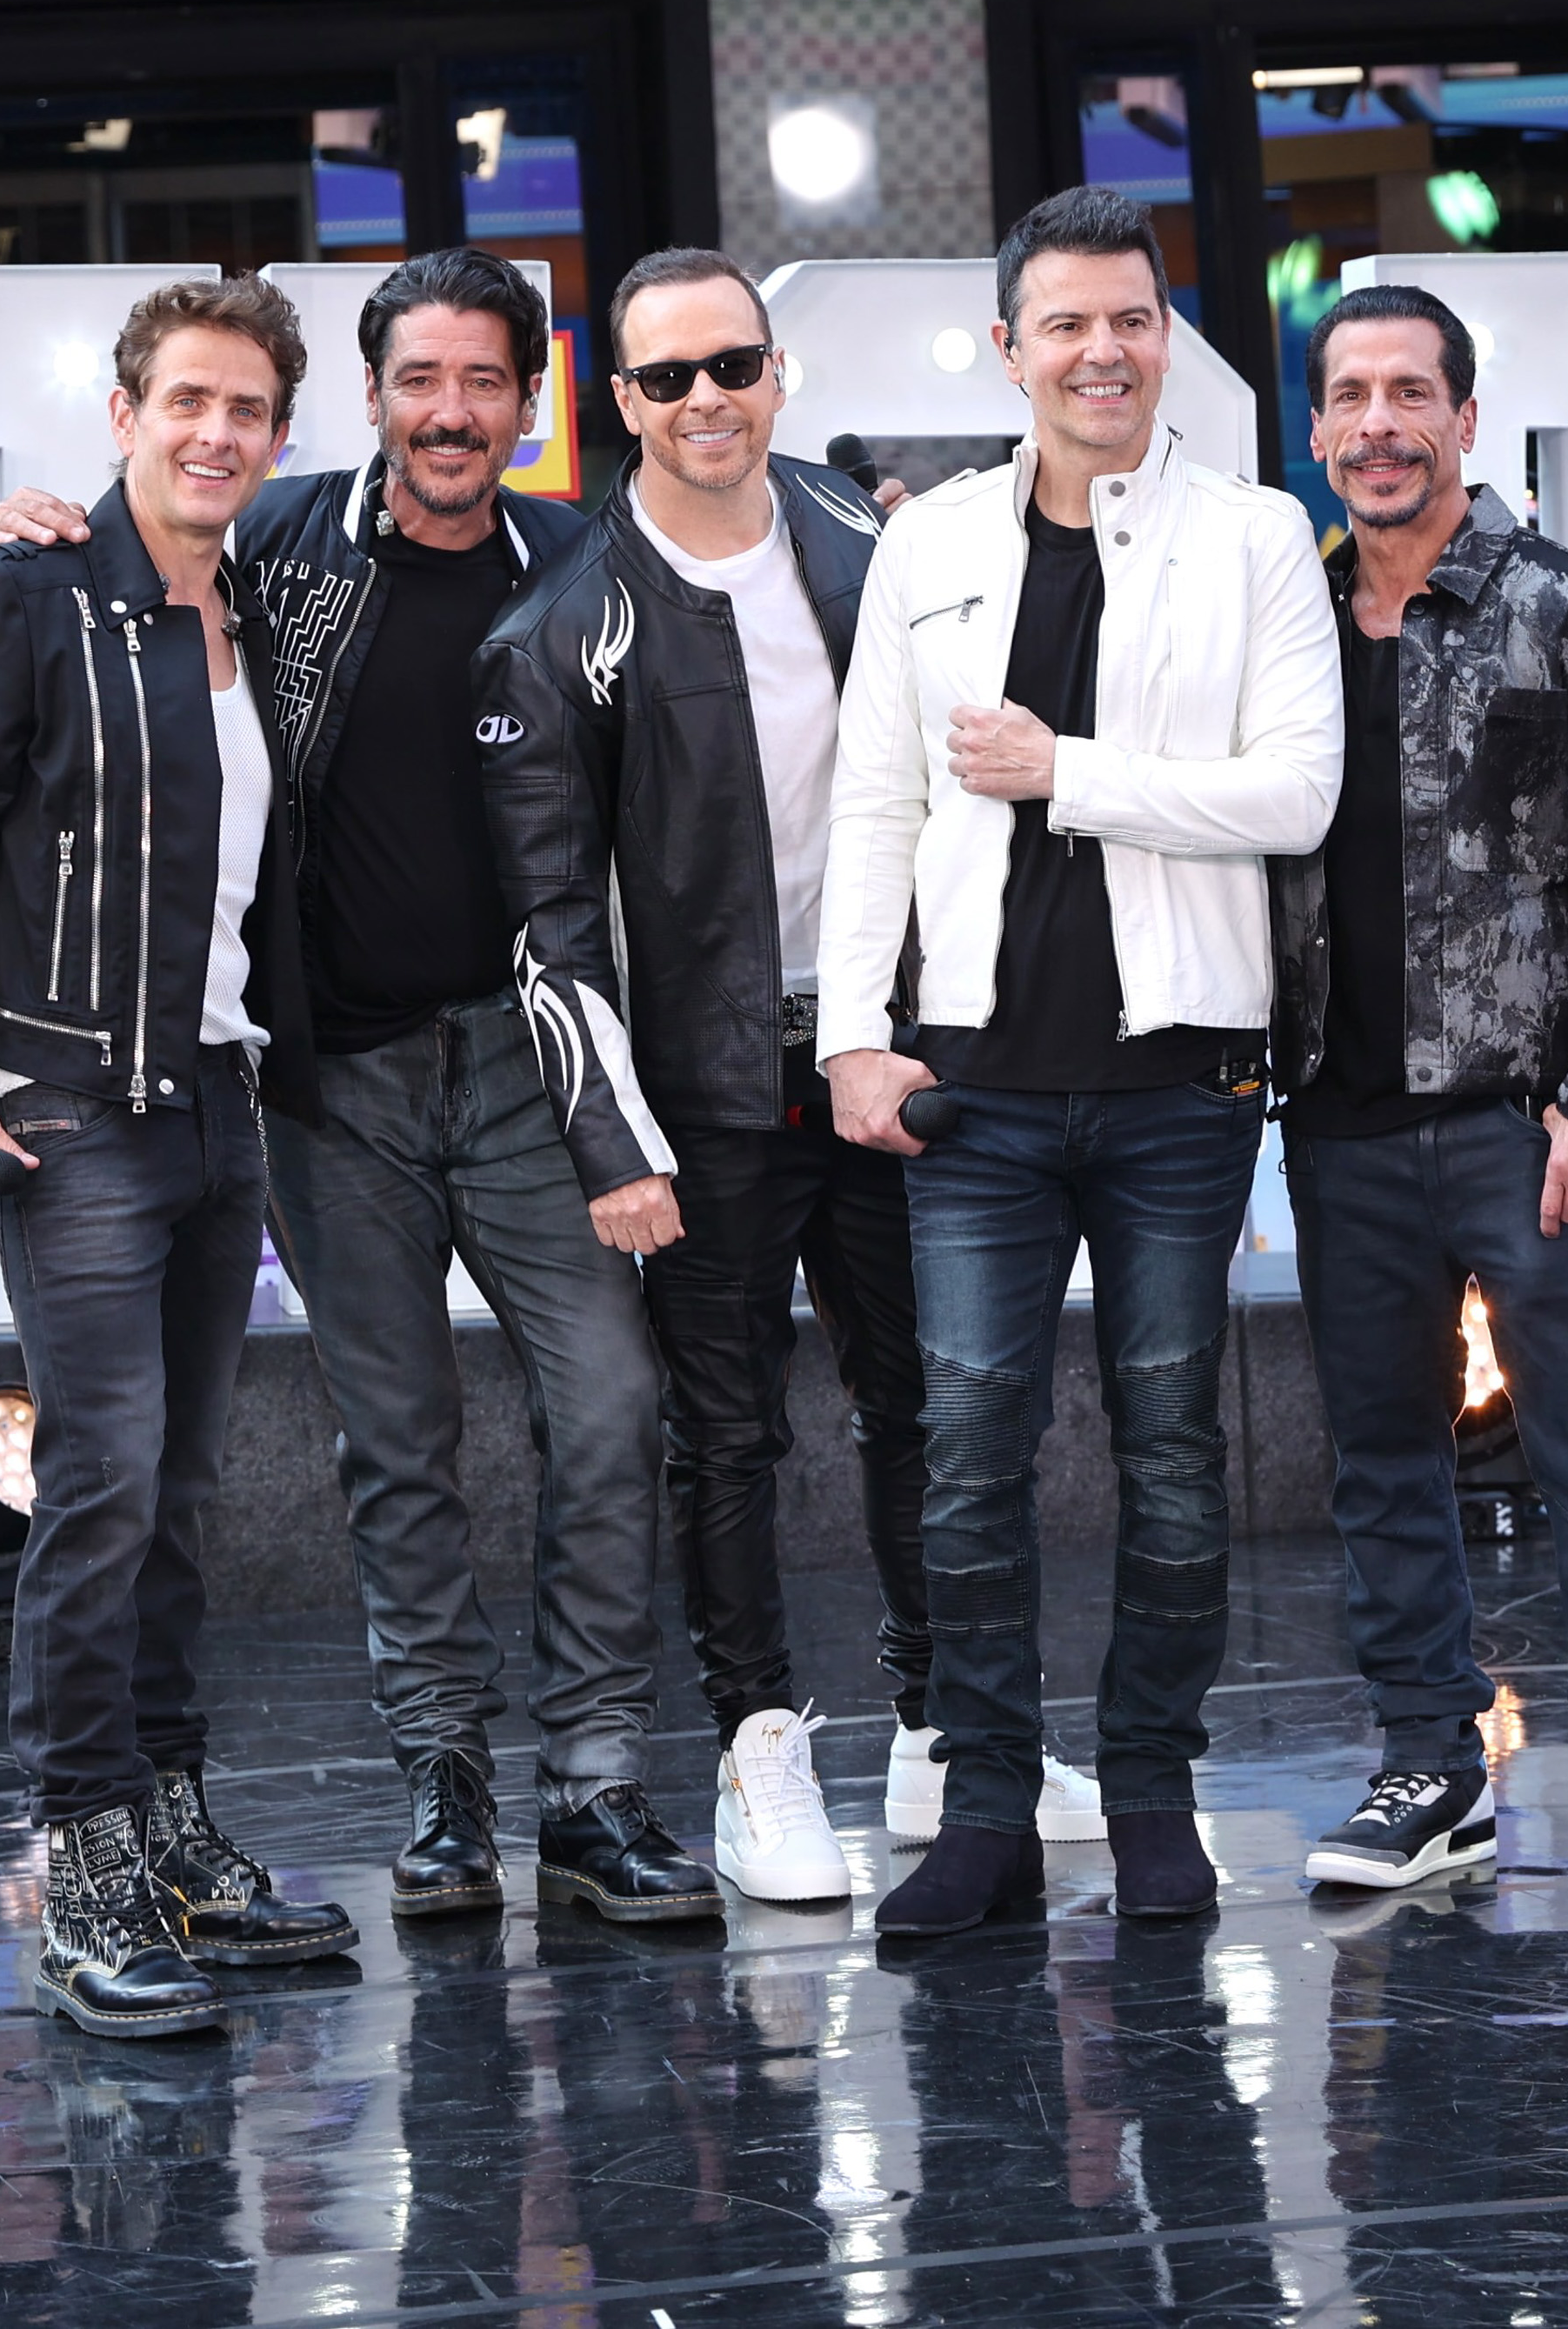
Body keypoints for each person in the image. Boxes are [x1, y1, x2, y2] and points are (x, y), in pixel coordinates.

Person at [0, 250, 710, 1926]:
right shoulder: (277, 542)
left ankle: (596, 1786)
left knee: (613, 1405)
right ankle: (444, 1783)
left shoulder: (590, 565)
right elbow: (129, 557)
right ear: (370, 398)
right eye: (419, 380)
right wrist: (37, 531)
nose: (451, 412)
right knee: (397, 1442)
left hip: (535, 1073)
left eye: (484, 381)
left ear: (530, 403)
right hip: (332, 1084)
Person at [478, 245, 1104, 1910]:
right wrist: (613, 1138)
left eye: (733, 365)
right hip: (703, 1092)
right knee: (727, 1435)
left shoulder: (859, 533)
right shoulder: (562, 626)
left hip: (884, 1052)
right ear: (620, 400)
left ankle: (942, 1730)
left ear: (777, 373)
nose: (708, 399)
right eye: (668, 375)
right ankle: (760, 1750)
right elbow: (549, 924)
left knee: (934, 1405)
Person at [816, 185, 1343, 1937]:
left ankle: (1150, 1792)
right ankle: (984, 1806)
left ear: (1164, 339)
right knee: (969, 1446)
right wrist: (854, 1036)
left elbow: (1295, 794)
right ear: (1009, 348)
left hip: (1181, 1082)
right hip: (967, 1085)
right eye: (1066, 323)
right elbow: (874, 805)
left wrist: (1072, 772)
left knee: (1172, 1441)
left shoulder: (1254, 535)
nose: (1101, 352)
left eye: (1130, 320)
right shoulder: (930, 545)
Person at [0, 274, 358, 2039]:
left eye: (248, 410)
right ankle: (84, 1860)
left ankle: (171, 1828)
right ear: (125, 413)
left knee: (180, 1493)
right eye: (188, 402)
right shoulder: (29, 592)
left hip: (222, 1100)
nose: (217, 433)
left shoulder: (266, 600)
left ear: (282, 437)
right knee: (101, 1488)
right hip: (69, 1107)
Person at [1276, 281, 1568, 1912]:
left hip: (1531, 1125)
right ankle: (1429, 1766)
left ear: (1464, 419)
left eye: (1411, 393)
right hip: (1337, 1121)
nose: (1380, 425)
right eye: (1351, 397)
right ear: (1317, 429)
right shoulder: (1283, 620)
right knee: (1380, 1461)